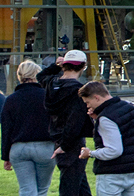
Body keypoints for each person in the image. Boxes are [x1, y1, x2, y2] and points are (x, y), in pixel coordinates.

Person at [38, 50, 92, 196]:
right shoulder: (78, 91)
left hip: (57, 135)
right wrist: (65, 145)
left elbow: (40, 76)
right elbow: (74, 122)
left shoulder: (52, 84)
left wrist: (55, 66)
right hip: (70, 142)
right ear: (83, 67)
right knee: (70, 185)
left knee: (79, 184)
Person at [78, 81, 134, 196]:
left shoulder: (106, 118)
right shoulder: (128, 108)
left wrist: (90, 153)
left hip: (111, 175)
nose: (88, 106)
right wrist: (97, 119)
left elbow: (114, 150)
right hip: (132, 170)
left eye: (88, 102)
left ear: (96, 98)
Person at [2, 61, 54, 196]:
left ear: (19, 76)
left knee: (26, 189)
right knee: (42, 189)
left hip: (19, 148)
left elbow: (6, 129)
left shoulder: (11, 99)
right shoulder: (47, 96)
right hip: (45, 146)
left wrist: (5, 155)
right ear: (37, 74)